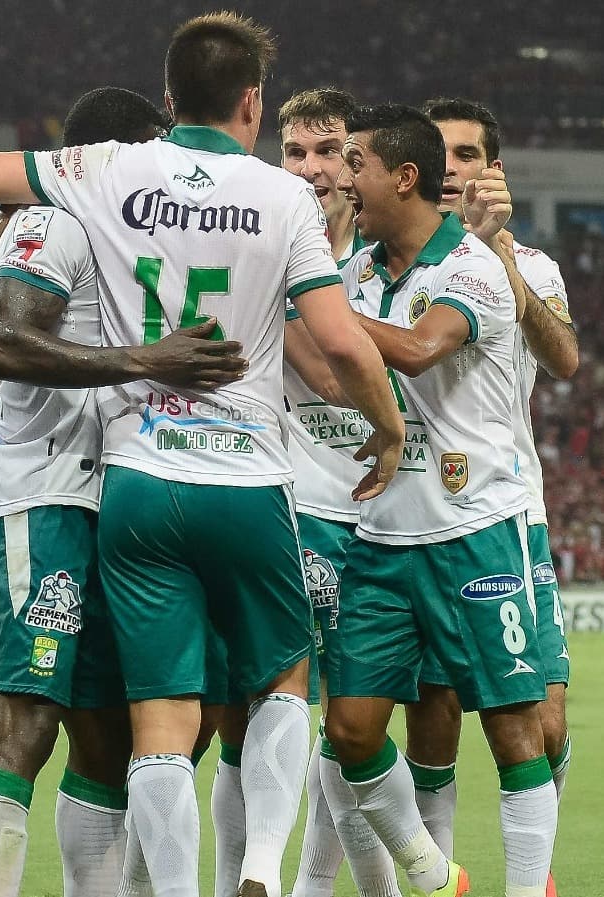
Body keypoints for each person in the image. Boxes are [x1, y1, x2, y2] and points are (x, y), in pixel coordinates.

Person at [0, 13, 405, 897]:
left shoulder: (109, 189)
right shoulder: (251, 197)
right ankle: (265, 872)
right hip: (128, 484)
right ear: (251, 101)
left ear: (172, 100)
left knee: (128, 733)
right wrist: (385, 427)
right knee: (62, 721)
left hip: (126, 487)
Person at [0, 85, 235, 897]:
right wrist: (145, 360)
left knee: (109, 739)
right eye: (154, 149)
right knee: (25, 727)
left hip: (103, 502)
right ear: (119, 153)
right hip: (33, 493)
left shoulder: (85, 223)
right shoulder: (58, 216)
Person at [326, 103, 555, 897]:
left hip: (475, 529)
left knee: (512, 727)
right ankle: (432, 873)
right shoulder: (357, 272)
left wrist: (315, 307)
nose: (344, 180)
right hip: (383, 535)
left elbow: (420, 353)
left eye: (354, 164)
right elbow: (363, 377)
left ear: (403, 176)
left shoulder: (473, 268)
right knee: (349, 730)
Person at [397, 96, 578, 893]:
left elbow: (564, 358)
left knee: (542, 721)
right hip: (411, 513)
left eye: (466, 156)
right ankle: (438, 879)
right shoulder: (388, 261)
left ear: (489, 170)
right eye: (438, 156)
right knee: (429, 718)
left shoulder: (531, 265)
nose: (450, 171)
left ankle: (531, 877)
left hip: (510, 514)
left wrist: (495, 251)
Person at [275, 88, 401, 897]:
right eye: (294, 153)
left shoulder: (390, 265)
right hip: (294, 511)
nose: (311, 169)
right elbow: (329, 367)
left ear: (358, 163)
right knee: (283, 719)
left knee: (351, 731)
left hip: (390, 520)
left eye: (327, 151)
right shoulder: (262, 245)